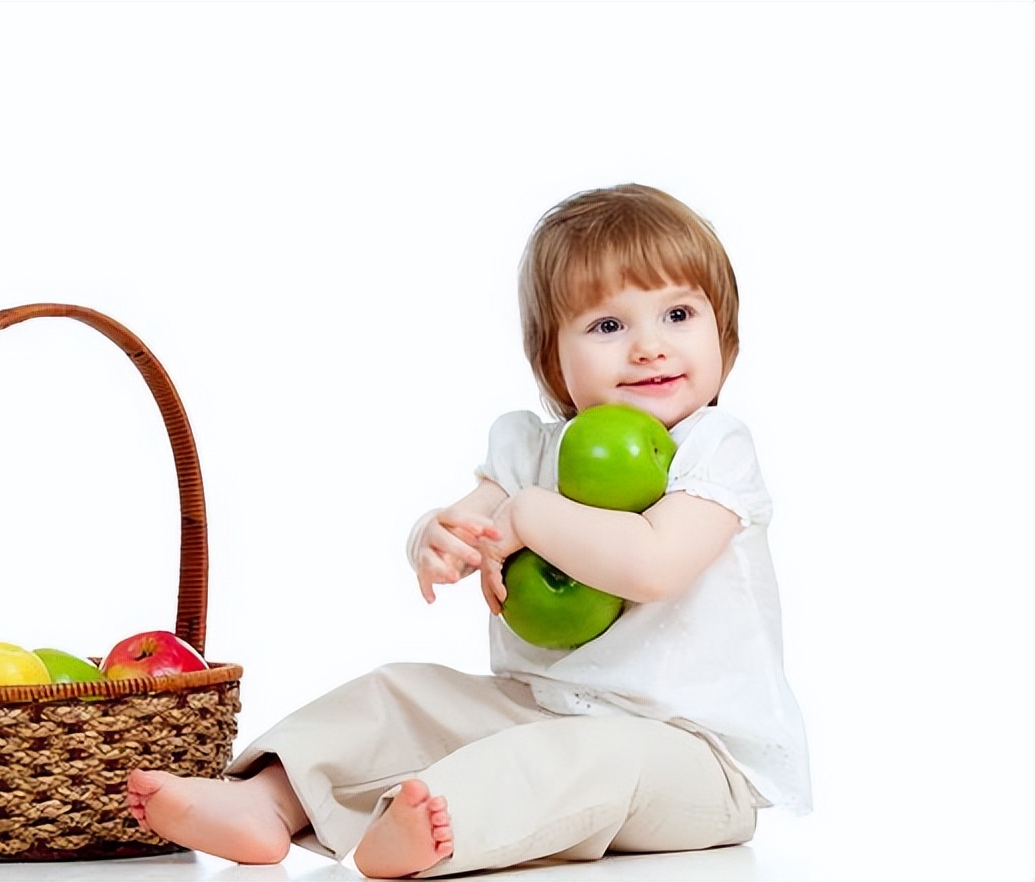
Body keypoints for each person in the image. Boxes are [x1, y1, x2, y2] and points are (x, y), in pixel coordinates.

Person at [126, 184, 812, 878]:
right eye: (608, 326)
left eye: (678, 313)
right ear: (554, 360)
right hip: (542, 709)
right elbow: (471, 519)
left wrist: (530, 515)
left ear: (722, 333)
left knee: (589, 760)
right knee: (400, 693)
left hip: (695, 757)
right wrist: (433, 536)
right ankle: (268, 799)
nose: (648, 347)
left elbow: (655, 565)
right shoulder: (531, 452)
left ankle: (435, 828)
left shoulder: (713, 451)